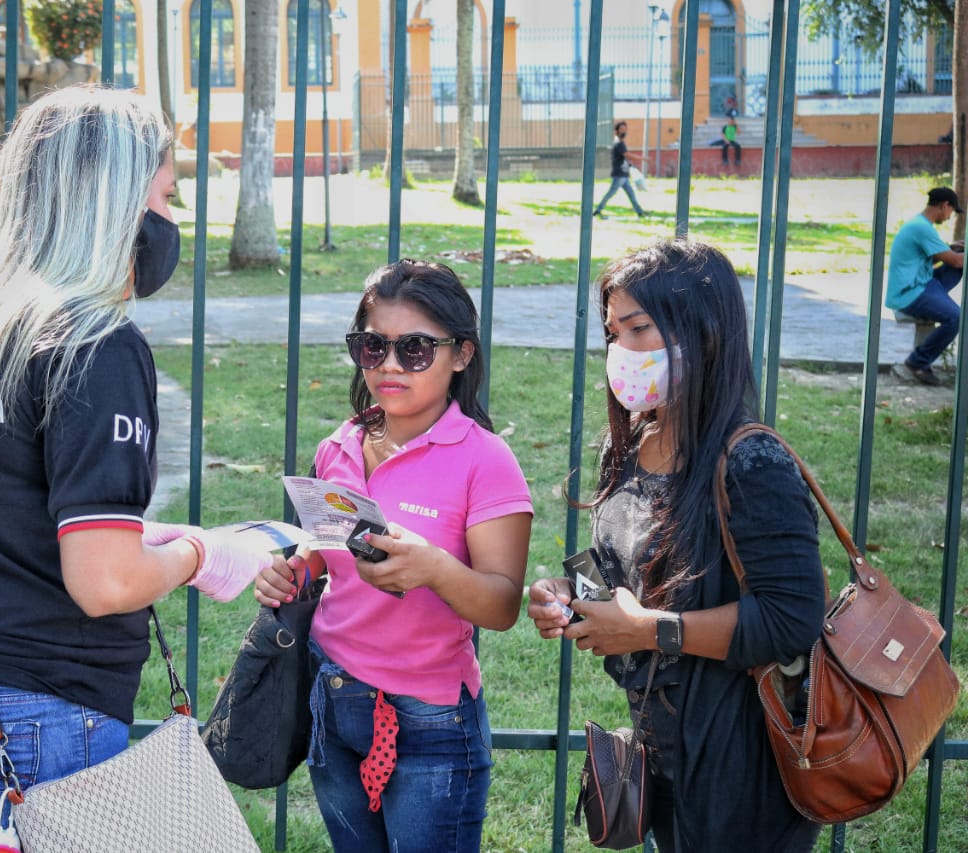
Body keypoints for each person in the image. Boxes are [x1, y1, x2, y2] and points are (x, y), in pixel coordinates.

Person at [0, 85, 278, 852]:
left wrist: (148, 534)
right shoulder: (97, 345)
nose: (169, 221)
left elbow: (3, 506)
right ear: (111, 202)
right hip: (26, 725)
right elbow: (106, 583)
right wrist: (203, 553)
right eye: (163, 195)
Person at [527, 240, 824, 852]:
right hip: (661, 745)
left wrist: (651, 630)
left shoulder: (751, 461)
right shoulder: (630, 444)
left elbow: (792, 618)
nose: (620, 352)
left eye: (637, 329)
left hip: (741, 761)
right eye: (612, 333)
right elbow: (620, 574)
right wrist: (569, 596)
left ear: (704, 332)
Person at [254, 259, 534, 852]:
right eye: (371, 345)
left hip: (430, 719)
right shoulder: (340, 445)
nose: (386, 364)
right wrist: (294, 571)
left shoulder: (484, 460)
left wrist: (435, 568)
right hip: (334, 699)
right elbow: (323, 552)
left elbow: (503, 604)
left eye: (413, 349)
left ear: (461, 354)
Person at [885, 187, 964, 385]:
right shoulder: (922, 228)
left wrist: (954, 248)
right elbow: (954, 261)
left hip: (921, 283)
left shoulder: (920, 224)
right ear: (945, 205)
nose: (949, 217)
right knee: (956, 318)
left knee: (957, 266)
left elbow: (940, 257)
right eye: (951, 212)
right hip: (910, 293)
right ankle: (917, 362)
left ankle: (938, 302)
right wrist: (956, 253)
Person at [593, 121, 646, 219]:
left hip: (623, 174)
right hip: (619, 174)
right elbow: (627, 155)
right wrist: (642, 159)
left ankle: (640, 212)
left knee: (631, 194)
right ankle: (598, 210)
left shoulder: (620, 142)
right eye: (621, 129)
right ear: (616, 131)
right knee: (611, 193)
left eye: (625, 129)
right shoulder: (618, 143)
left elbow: (623, 158)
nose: (624, 131)